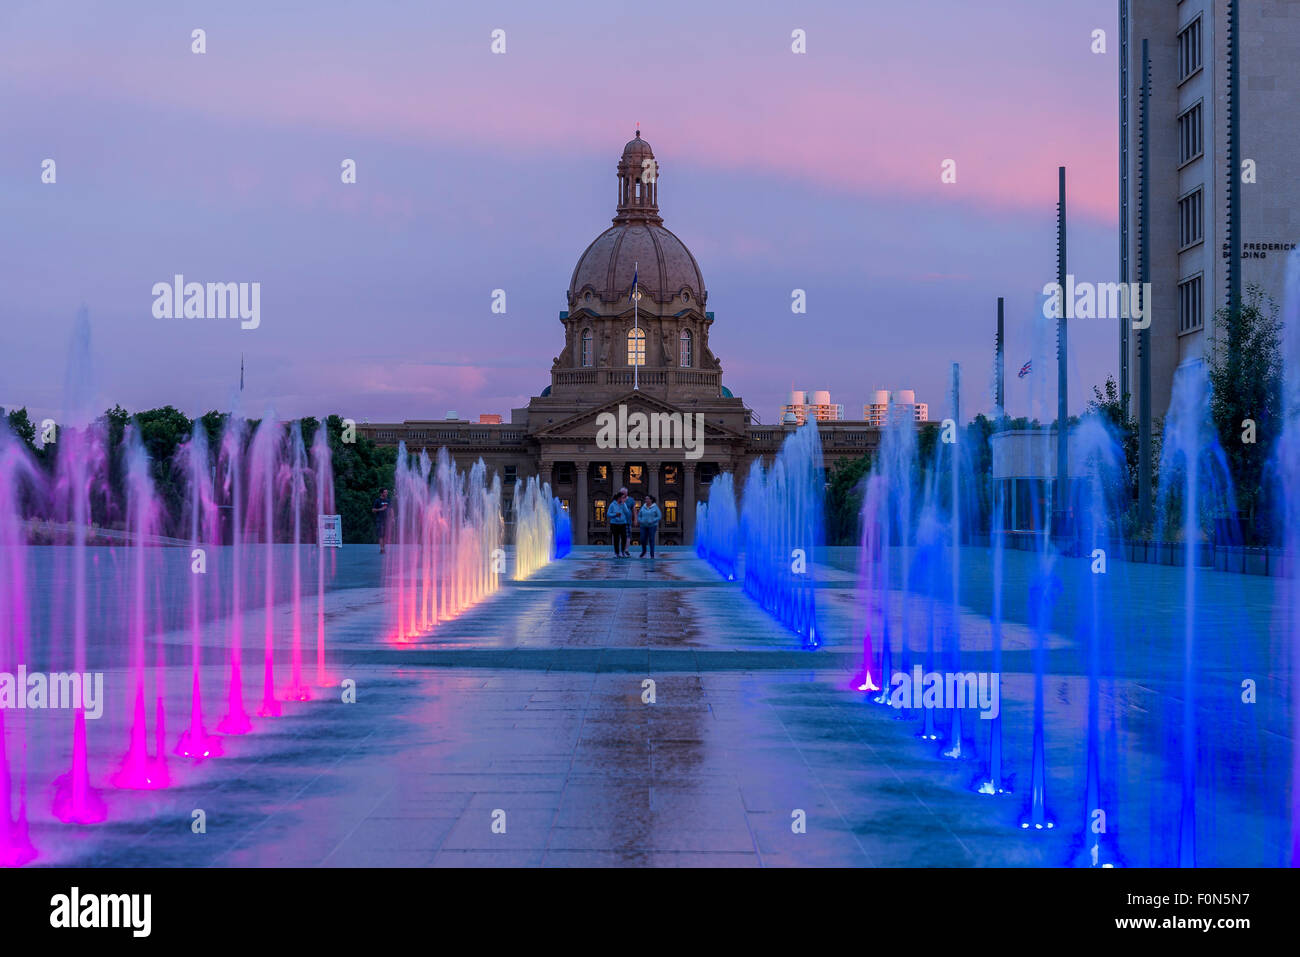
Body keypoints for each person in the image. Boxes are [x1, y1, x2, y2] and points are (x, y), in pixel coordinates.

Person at [607, 488, 631, 557]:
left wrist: (624, 504)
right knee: (616, 539)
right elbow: (608, 514)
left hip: (623, 523)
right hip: (614, 524)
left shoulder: (623, 504)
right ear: (619, 498)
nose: (624, 499)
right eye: (623, 498)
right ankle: (617, 553)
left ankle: (623, 551)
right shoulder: (612, 504)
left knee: (624, 537)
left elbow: (627, 513)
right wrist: (615, 514)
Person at [637, 494, 661, 559]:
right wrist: (640, 520)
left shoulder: (655, 507)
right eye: (645, 499)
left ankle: (652, 554)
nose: (646, 500)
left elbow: (659, 516)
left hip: (652, 526)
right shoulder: (643, 507)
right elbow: (639, 515)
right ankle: (644, 551)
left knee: (651, 539)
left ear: (651, 500)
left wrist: (653, 520)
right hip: (643, 526)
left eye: (647, 499)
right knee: (642, 539)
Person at [372, 488, 390, 554]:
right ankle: (382, 549)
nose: (386, 493)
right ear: (381, 493)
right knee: (380, 535)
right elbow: (373, 510)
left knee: (385, 535)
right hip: (379, 520)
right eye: (385, 492)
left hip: (387, 520)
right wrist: (381, 509)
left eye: (387, 492)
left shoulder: (388, 500)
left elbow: (391, 509)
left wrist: (393, 518)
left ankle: (383, 548)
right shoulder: (377, 500)